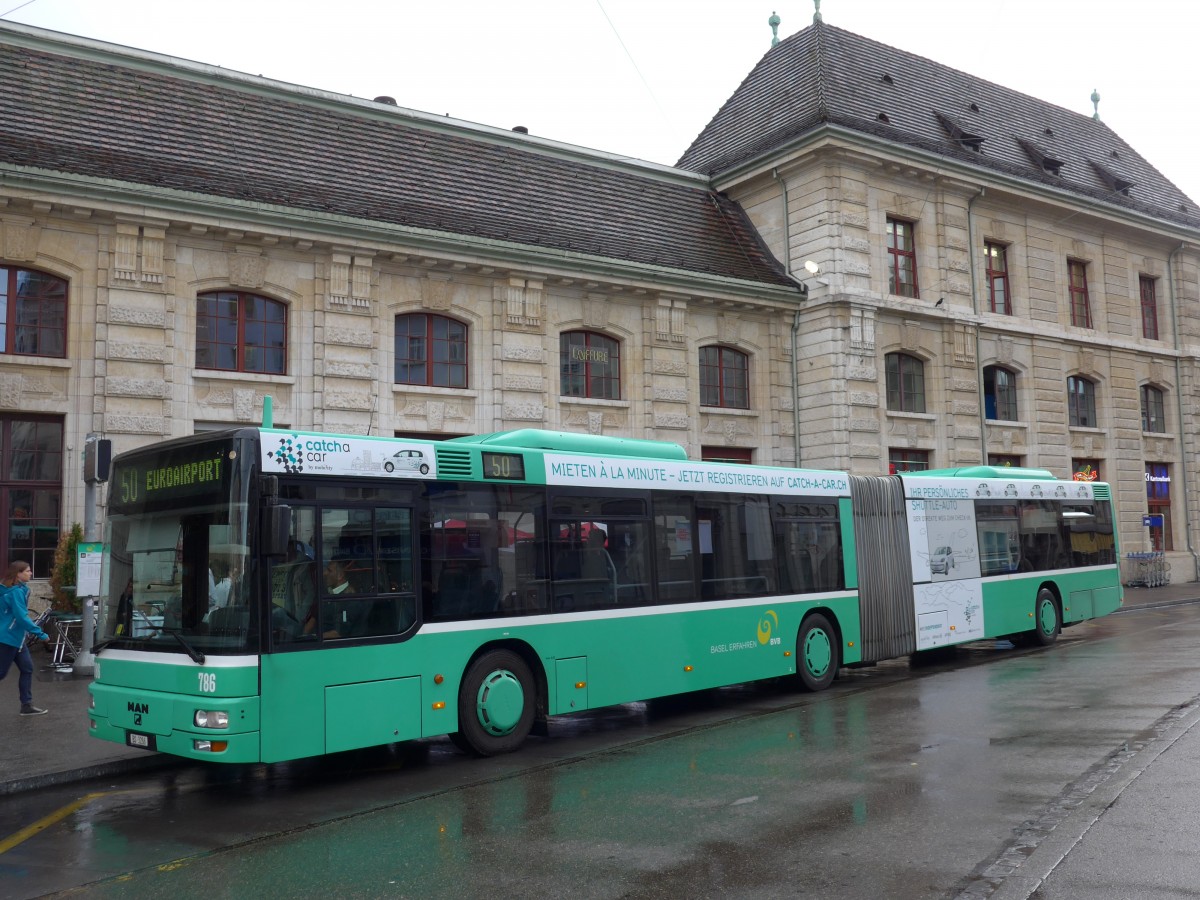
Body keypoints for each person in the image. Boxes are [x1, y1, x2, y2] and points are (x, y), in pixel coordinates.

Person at [0, 560, 51, 716]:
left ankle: (26, 705)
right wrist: (40, 633)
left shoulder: (19, 590)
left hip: (17, 640)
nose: (31, 573)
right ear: (18, 574)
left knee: (27, 668)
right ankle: (26, 705)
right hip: (8, 639)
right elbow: (21, 617)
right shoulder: (15, 592)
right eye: (28, 571)